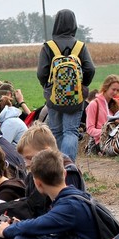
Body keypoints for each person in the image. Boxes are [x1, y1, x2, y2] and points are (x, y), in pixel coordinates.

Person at [36, 9, 96, 161]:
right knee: (71, 131)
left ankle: (57, 166)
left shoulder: (49, 46)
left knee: (56, 131)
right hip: (76, 96)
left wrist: (48, 87)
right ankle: (69, 167)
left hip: (54, 96)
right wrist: (81, 85)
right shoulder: (80, 46)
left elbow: (41, 72)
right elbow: (90, 68)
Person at [85, 75, 119, 152]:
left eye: (118, 90)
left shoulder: (116, 104)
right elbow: (90, 129)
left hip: (114, 141)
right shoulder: (94, 104)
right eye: (113, 89)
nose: (115, 92)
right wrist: (106, 132)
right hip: (99, 143)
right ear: (106, 87)